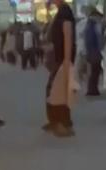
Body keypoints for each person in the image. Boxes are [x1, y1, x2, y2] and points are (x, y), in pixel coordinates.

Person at [44, 0, 76, 137]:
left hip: (63, 59)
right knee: (55, 91)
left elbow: (68, 36)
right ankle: (59, 122)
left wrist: (67, 62)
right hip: (60, 58)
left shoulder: (65, 12)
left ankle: (61, 123)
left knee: (58, 92)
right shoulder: (60, 12)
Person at [84, 9, 104, 96]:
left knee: (94, 71)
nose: (99, 19)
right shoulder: (91, 26)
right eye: (98, 17)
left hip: (93, 52)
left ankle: (93, 89)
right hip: (94, 52)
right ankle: (92, 90)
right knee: (94, 71)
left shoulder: (91, 25)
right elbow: (91, 40)